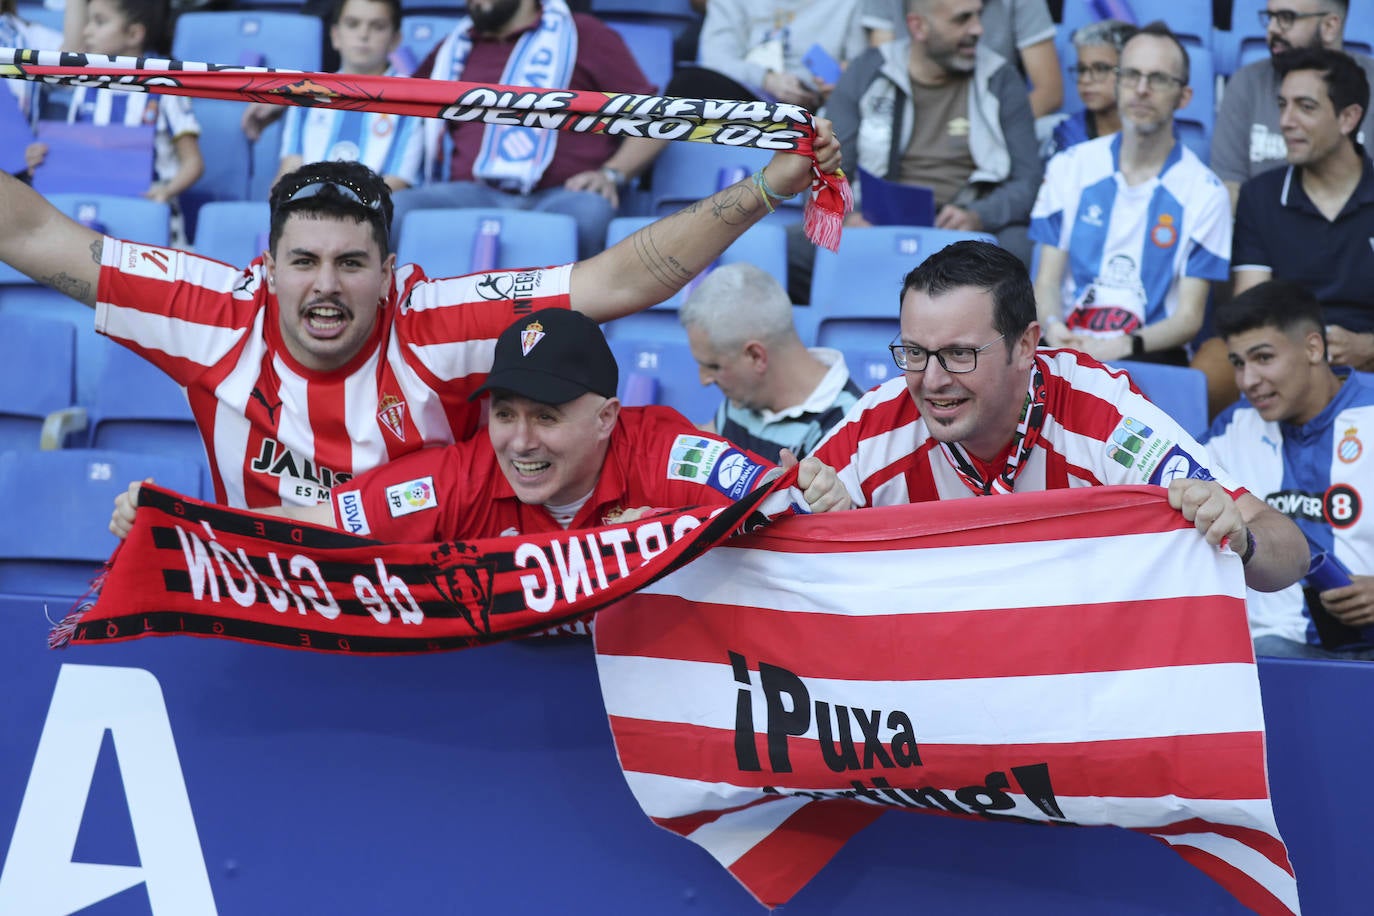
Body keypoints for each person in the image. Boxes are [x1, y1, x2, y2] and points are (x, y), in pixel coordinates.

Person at [0, 128, 839, 510]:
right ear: (267, 266)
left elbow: (625, 276)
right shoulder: (212, 311)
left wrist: (767, 189)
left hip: (428, 623)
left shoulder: (439, 321)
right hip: (273, 614)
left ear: (391, 274)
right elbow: (31, 231)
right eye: (304, 262)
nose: (325, 288)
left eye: (351, 263)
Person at [810, 240, 1308, 593]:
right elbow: (774, 520)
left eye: (960, 354)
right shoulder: (881, 421)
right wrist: (818, 520)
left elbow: (1289, 549)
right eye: (915, 352)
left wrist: (1242, 540)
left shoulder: (1101, 416)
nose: (932, 380)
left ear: (1026, 345)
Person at [110, 308, 853, 540]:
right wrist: (183, 527)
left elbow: (776, 504)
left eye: (546, 417)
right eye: (505, 414)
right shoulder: (467, 474)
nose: (520, 442)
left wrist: (823, 497)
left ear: (605, 419)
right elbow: (324, 521)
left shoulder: (665, 451)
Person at [389, 0, 663, 259]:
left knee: (590, 214)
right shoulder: (455, 46)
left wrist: (612, 173)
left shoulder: (583, 34)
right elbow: (402, 108)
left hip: (562, 196)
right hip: (470, 193)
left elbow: (653, 117)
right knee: (395, 210)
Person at [1030, 23, 1230, 366]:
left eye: (1158, 79)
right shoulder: (1070, 166)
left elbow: (1188, 318)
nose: (1141, 89)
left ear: (1184, 97)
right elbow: (1046, 281)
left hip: (1149, 355)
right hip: (1067, 347)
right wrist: (1053, 325)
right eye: (1131, 75)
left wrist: (1122, 346)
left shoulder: (1206, 192)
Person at [1201, 280, 1374, 660]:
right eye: (1238, 364)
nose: (1248, 381)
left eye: (1263, 358)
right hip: (1272, 653)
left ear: (1313, 348)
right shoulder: (1232, 427)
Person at [825, 0, 1042, 265]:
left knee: (1019, 249)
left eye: (978, 16)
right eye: (962, 19)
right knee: (795, 247)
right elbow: (829, 167)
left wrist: (979, 215)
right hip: (879, 222)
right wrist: (847, 218)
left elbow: (1028, 182)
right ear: (919, 27)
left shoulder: (1001, 78)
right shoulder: (867, 71)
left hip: (966, 230)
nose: (978, 29)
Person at [1231, 47, 1374, 371]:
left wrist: (1367, 347)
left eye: (1305, 107)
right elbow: (1249, 312)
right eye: (1282, 105)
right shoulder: (1260, 196)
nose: (1285, 122)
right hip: (1288, 370)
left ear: (1348, 118)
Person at [25, 0, 203, 244]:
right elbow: (74, 156)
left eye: (99, 22)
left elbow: (193, 163)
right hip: (92, 223)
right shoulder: (84, 88)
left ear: (133, 34)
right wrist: (44, 159)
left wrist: (164, 192)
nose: (87, 31)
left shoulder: (165, 90)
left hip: (153, 226)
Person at [678, 263, 864, 462]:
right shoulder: (744, 396)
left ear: (756, 356)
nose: (704, 379)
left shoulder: (847, 428)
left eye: (714, 366)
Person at [1211, 0, 1374, 212]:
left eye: (1286, 18)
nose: (1272, 29)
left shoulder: (1370, 82)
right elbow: (1228, 189)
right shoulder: (1246, 84)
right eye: (1270, 18)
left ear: (1329, 26)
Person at [252, 0, 424, 193]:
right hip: (310, 212)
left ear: (395, 40)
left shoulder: (410, 99)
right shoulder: (307, 93)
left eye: (377, 26)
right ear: (335, 36)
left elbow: (397, 182)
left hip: (373, 215)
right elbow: (289, 171)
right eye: (352, 24)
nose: (363, 34)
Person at [670, 0, 867, 110]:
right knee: (688, 85)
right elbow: (714, 59)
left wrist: (838, 87)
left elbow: (859, 68)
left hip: (813, 105)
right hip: (747, 93)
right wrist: (766, 80)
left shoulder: (852, 4)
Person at [1045, 19, 1135, 157]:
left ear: (1131, 72)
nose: (1085, 80)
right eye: (1081, 69)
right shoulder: (1067, 133)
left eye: (1100, 69)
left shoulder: (1152, 135)